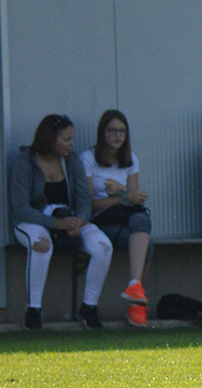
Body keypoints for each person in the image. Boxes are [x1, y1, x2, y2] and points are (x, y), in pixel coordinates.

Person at [8, 113, 115, 329]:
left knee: (103, 247)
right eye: (66, 139)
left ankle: (89, 307)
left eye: (72, 138)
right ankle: (34, 310)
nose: (72, 144)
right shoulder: (25, 163)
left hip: (70, 219)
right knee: (42, 246)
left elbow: (84, 201)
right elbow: (21, 208)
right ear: (50, 139)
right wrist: (54, 224)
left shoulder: (72, 160)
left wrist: (79, 221)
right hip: (34, 221)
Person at [80, 109, 151, 326]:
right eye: (112, 131)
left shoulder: (131, 160)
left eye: (122, 131)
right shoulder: (88, 158)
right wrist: (124, 196)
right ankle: (135, 303)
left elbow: (136, 200)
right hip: (100, 222)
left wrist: (120, 191)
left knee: (143, 223)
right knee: (145, 242)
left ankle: (134, 289)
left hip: (126, 220)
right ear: (102, 133)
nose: (117, 136)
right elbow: (90, 204)